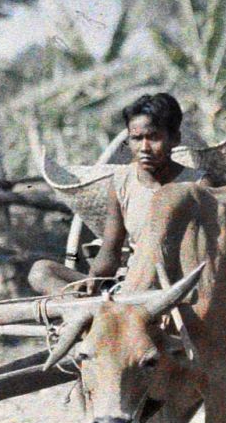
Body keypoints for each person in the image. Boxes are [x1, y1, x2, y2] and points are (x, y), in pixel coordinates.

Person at [28, 91, 189, 295]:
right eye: (137, 139)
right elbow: (110, 250)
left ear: (175, 138)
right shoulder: (122, 183)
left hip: (174, 284)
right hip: (130, 282)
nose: (144, 148)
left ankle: (92, 314)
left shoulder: (197, 184)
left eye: (154, 137)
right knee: (41, 271)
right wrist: (93, 281)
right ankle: (82, 308)